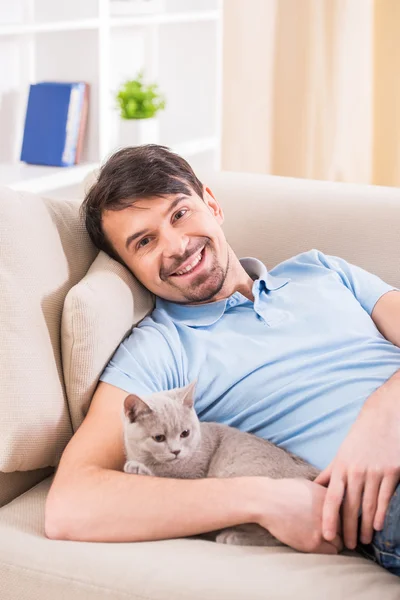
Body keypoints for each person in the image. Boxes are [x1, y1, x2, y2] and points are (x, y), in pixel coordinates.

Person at [45, 145, 400, 576]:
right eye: (144, 242)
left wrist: (386, 412)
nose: (176, 245)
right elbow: (70, 504)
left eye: (179, 214)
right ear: (129, 268)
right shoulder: (159, 349)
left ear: (211, 203)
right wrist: (262, 499)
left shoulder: (322, 270)